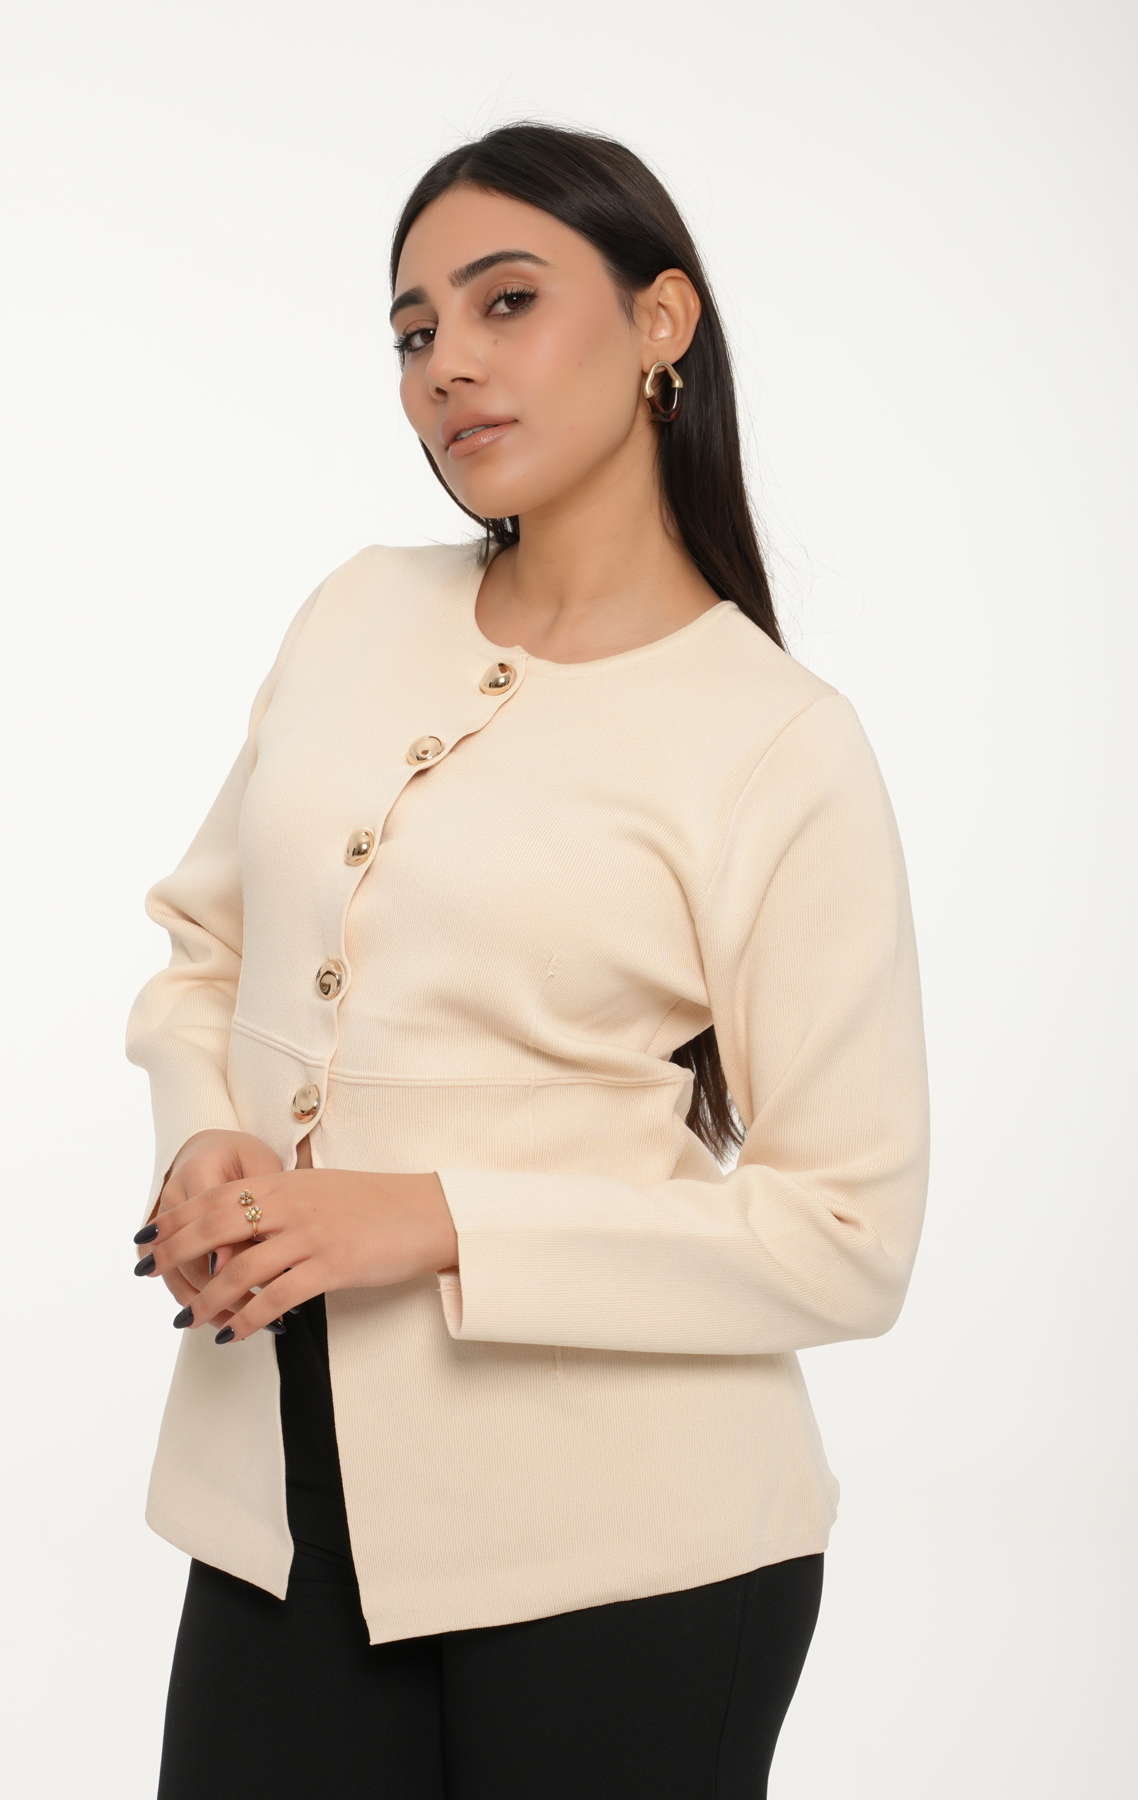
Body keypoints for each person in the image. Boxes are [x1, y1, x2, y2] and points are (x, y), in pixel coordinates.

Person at [127, 122, 928, 1800]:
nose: (448, 365)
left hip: (636, 1564)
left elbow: (849, 1241)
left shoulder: (775, 741)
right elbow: (209, 950)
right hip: (279, 1511)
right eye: (414, 330)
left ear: (661, 322)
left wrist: (426, 1219)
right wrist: (202, 1140)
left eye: (507, 302)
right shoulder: (357, 612)